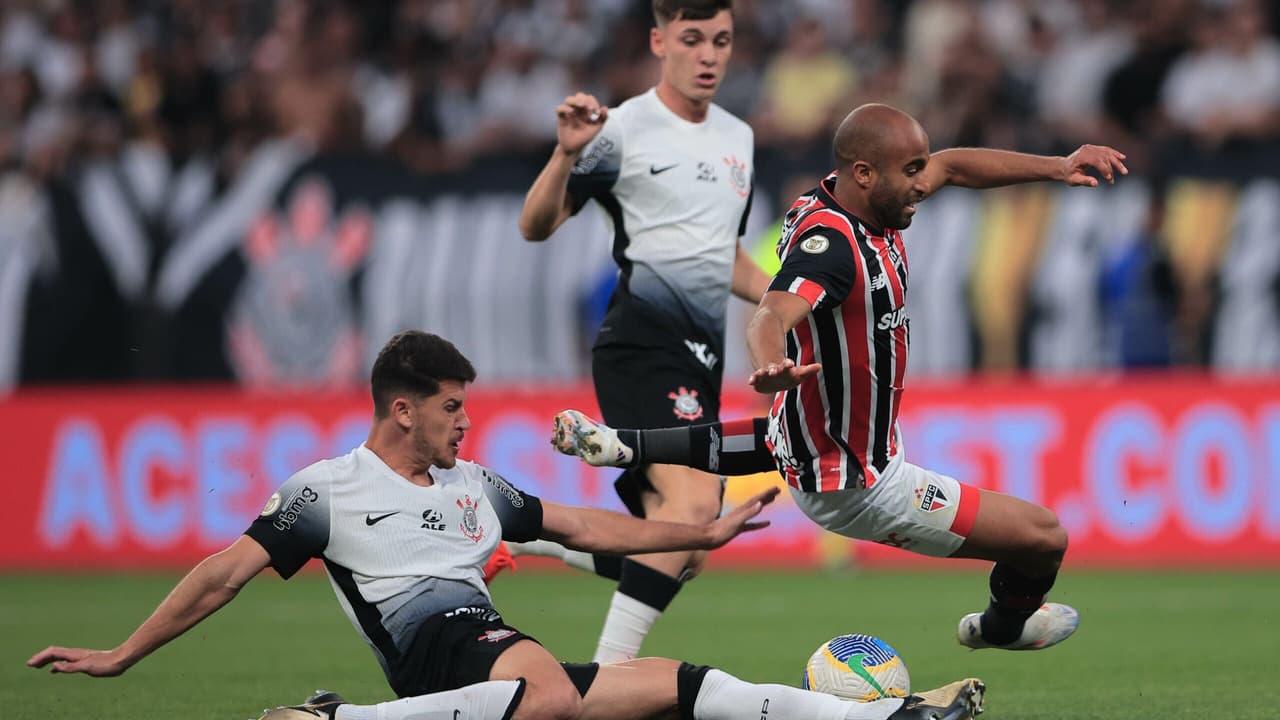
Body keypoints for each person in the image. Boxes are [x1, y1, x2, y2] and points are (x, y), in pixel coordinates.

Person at [26, 330, 986, 720]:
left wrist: (708, 534)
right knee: (548, 692)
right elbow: (220, 573)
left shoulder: (475, 483)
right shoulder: (325, 488)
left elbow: (583, 527)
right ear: (403, 409)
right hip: (438, 647)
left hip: (491, 666)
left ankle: (901, 715)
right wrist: (121, 655)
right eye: (451, 407)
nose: (466, 422)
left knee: (684, 686)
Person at [551, 103, 1131, 652]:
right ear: (862, 173)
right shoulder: (832, 247)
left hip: (811, 438)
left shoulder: (866, 197)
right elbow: (773, 311)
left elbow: (952, 165)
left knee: (771, 449)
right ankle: (1002, 628)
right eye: (910, 172)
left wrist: (1057, 165)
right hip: (864, 484)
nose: (921, 183)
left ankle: (620, 446)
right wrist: (769, 362)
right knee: (1044, 538)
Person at [516, 0, 774, 663]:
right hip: (640, 341)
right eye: (693, 40)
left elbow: (726, 257)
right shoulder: (623, 130)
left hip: (702, 357)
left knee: (685, 548)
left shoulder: (737, 138)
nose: (710, 55)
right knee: (690, 516)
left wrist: (789, 303)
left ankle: (524, 534)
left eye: (721, 40)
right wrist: (564, 156)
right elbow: (535, 226)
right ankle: (604, 683)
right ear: (660, 41)